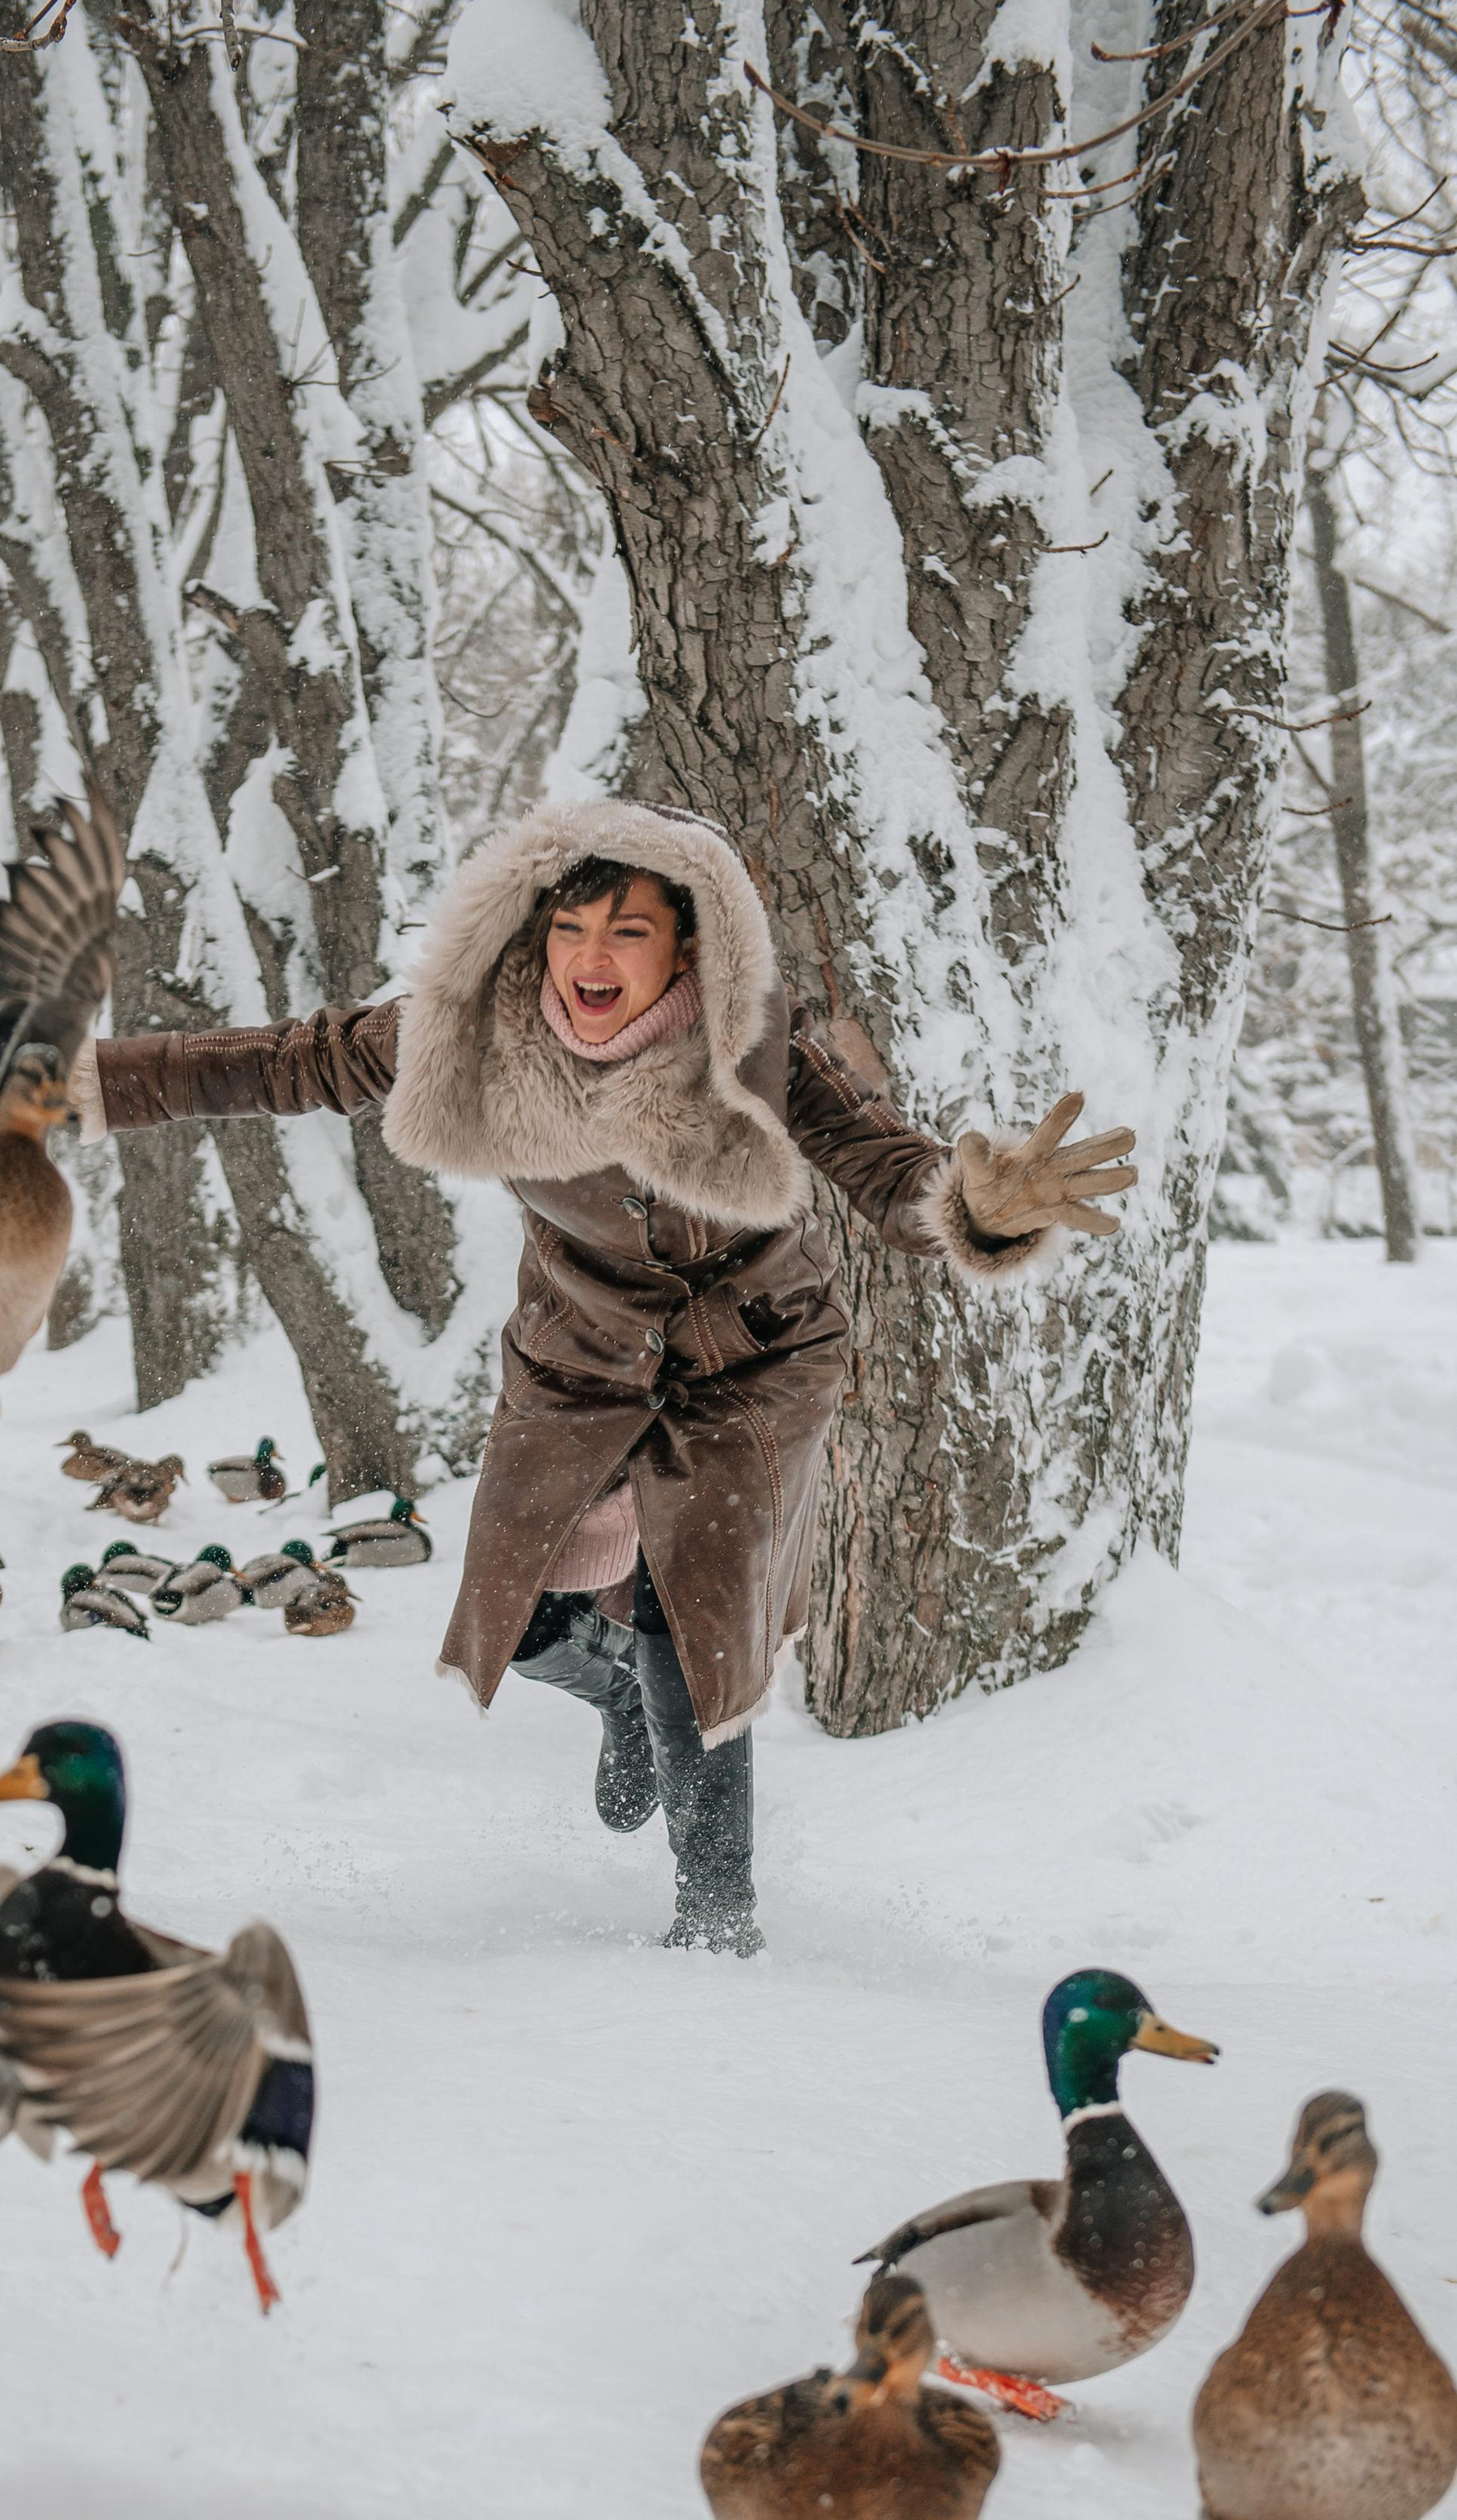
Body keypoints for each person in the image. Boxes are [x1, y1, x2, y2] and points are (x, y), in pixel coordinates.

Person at [71, 800, 1135, 1955]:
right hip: (576, 1358)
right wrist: (93, 1080)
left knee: (696, 1629)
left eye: (629, 932)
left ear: (689, 945)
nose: (593, 956)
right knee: (523, 1622)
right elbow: (297, 1059)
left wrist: (982, 1207)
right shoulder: (468, 1028)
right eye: (572, 927)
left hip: (753, 1364)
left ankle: (716, 1919)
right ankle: (617, 1692)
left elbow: (884, 1169)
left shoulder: (758, 1043)